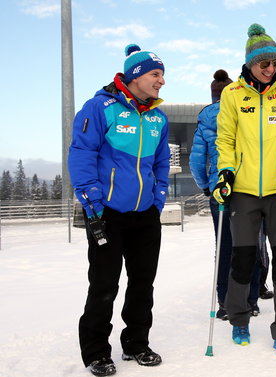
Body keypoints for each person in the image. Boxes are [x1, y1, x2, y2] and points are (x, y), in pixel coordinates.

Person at [69, 44, 169, 376]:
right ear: (136, 76)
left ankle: (136, 343)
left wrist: (159, 197)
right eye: (155, 74)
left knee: (143, 282)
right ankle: (97, 352)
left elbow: (161, 162)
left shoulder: (157, 116)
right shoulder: (100, 108)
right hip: (106, 213)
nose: (161, 82)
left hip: (144, 214)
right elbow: (81, 153)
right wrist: (92, 203)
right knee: (104, 284)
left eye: (162, 75)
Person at [213, 23, 276, 358]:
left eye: (275, 64)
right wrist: (224, 174)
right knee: (242, 259)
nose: (271, 69)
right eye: (264, 64)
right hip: (243, 191)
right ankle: (239, 318)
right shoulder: (233, 95)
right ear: (250, 63)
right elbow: (224, 139)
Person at [189, 69, 268, 320]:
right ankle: (251, 299)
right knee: (251, 244)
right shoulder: (245, 110)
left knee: (224, 246)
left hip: (219, 191)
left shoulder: (205, 118)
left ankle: (224, 301)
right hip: (247, 187)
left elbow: (197, 159)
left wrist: (206, 185)